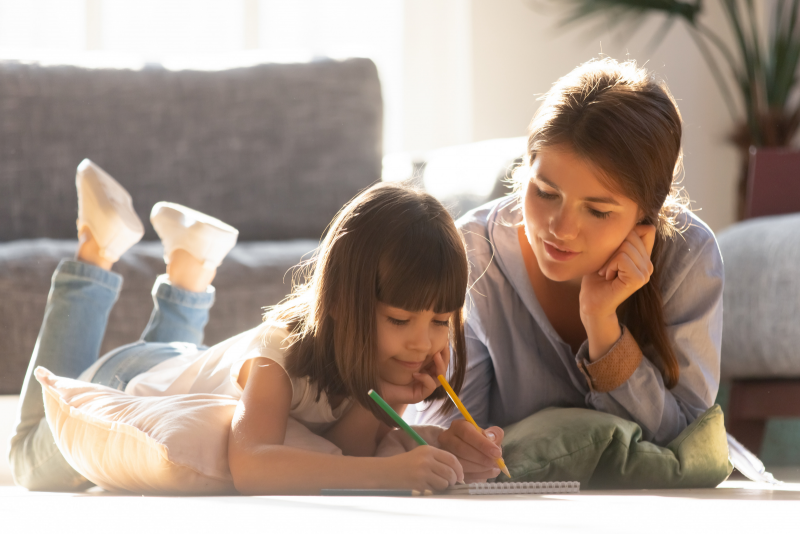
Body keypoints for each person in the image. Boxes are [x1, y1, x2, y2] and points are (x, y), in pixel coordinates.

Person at [9, 159, 500, 494]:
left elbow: (338, 452)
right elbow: (252, 464)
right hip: (127, 377)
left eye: (441, 320)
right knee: (30, 460)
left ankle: (190, 266)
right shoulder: (279, 356)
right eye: (399, 318)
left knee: (180, 370)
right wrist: (388, 474)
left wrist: (389, 398)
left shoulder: (368, 356)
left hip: (179, 364)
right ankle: (97, 249)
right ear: (342, 305)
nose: (424, 340)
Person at [423, 57, 724, 482]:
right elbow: (455, 429)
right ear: (525, 169)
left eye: (598, 211)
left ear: (646, 219)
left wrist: (603, 327)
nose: (560, 229)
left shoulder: (689, 255)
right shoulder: (474, 249)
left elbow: (685, 439)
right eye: (545, 192)